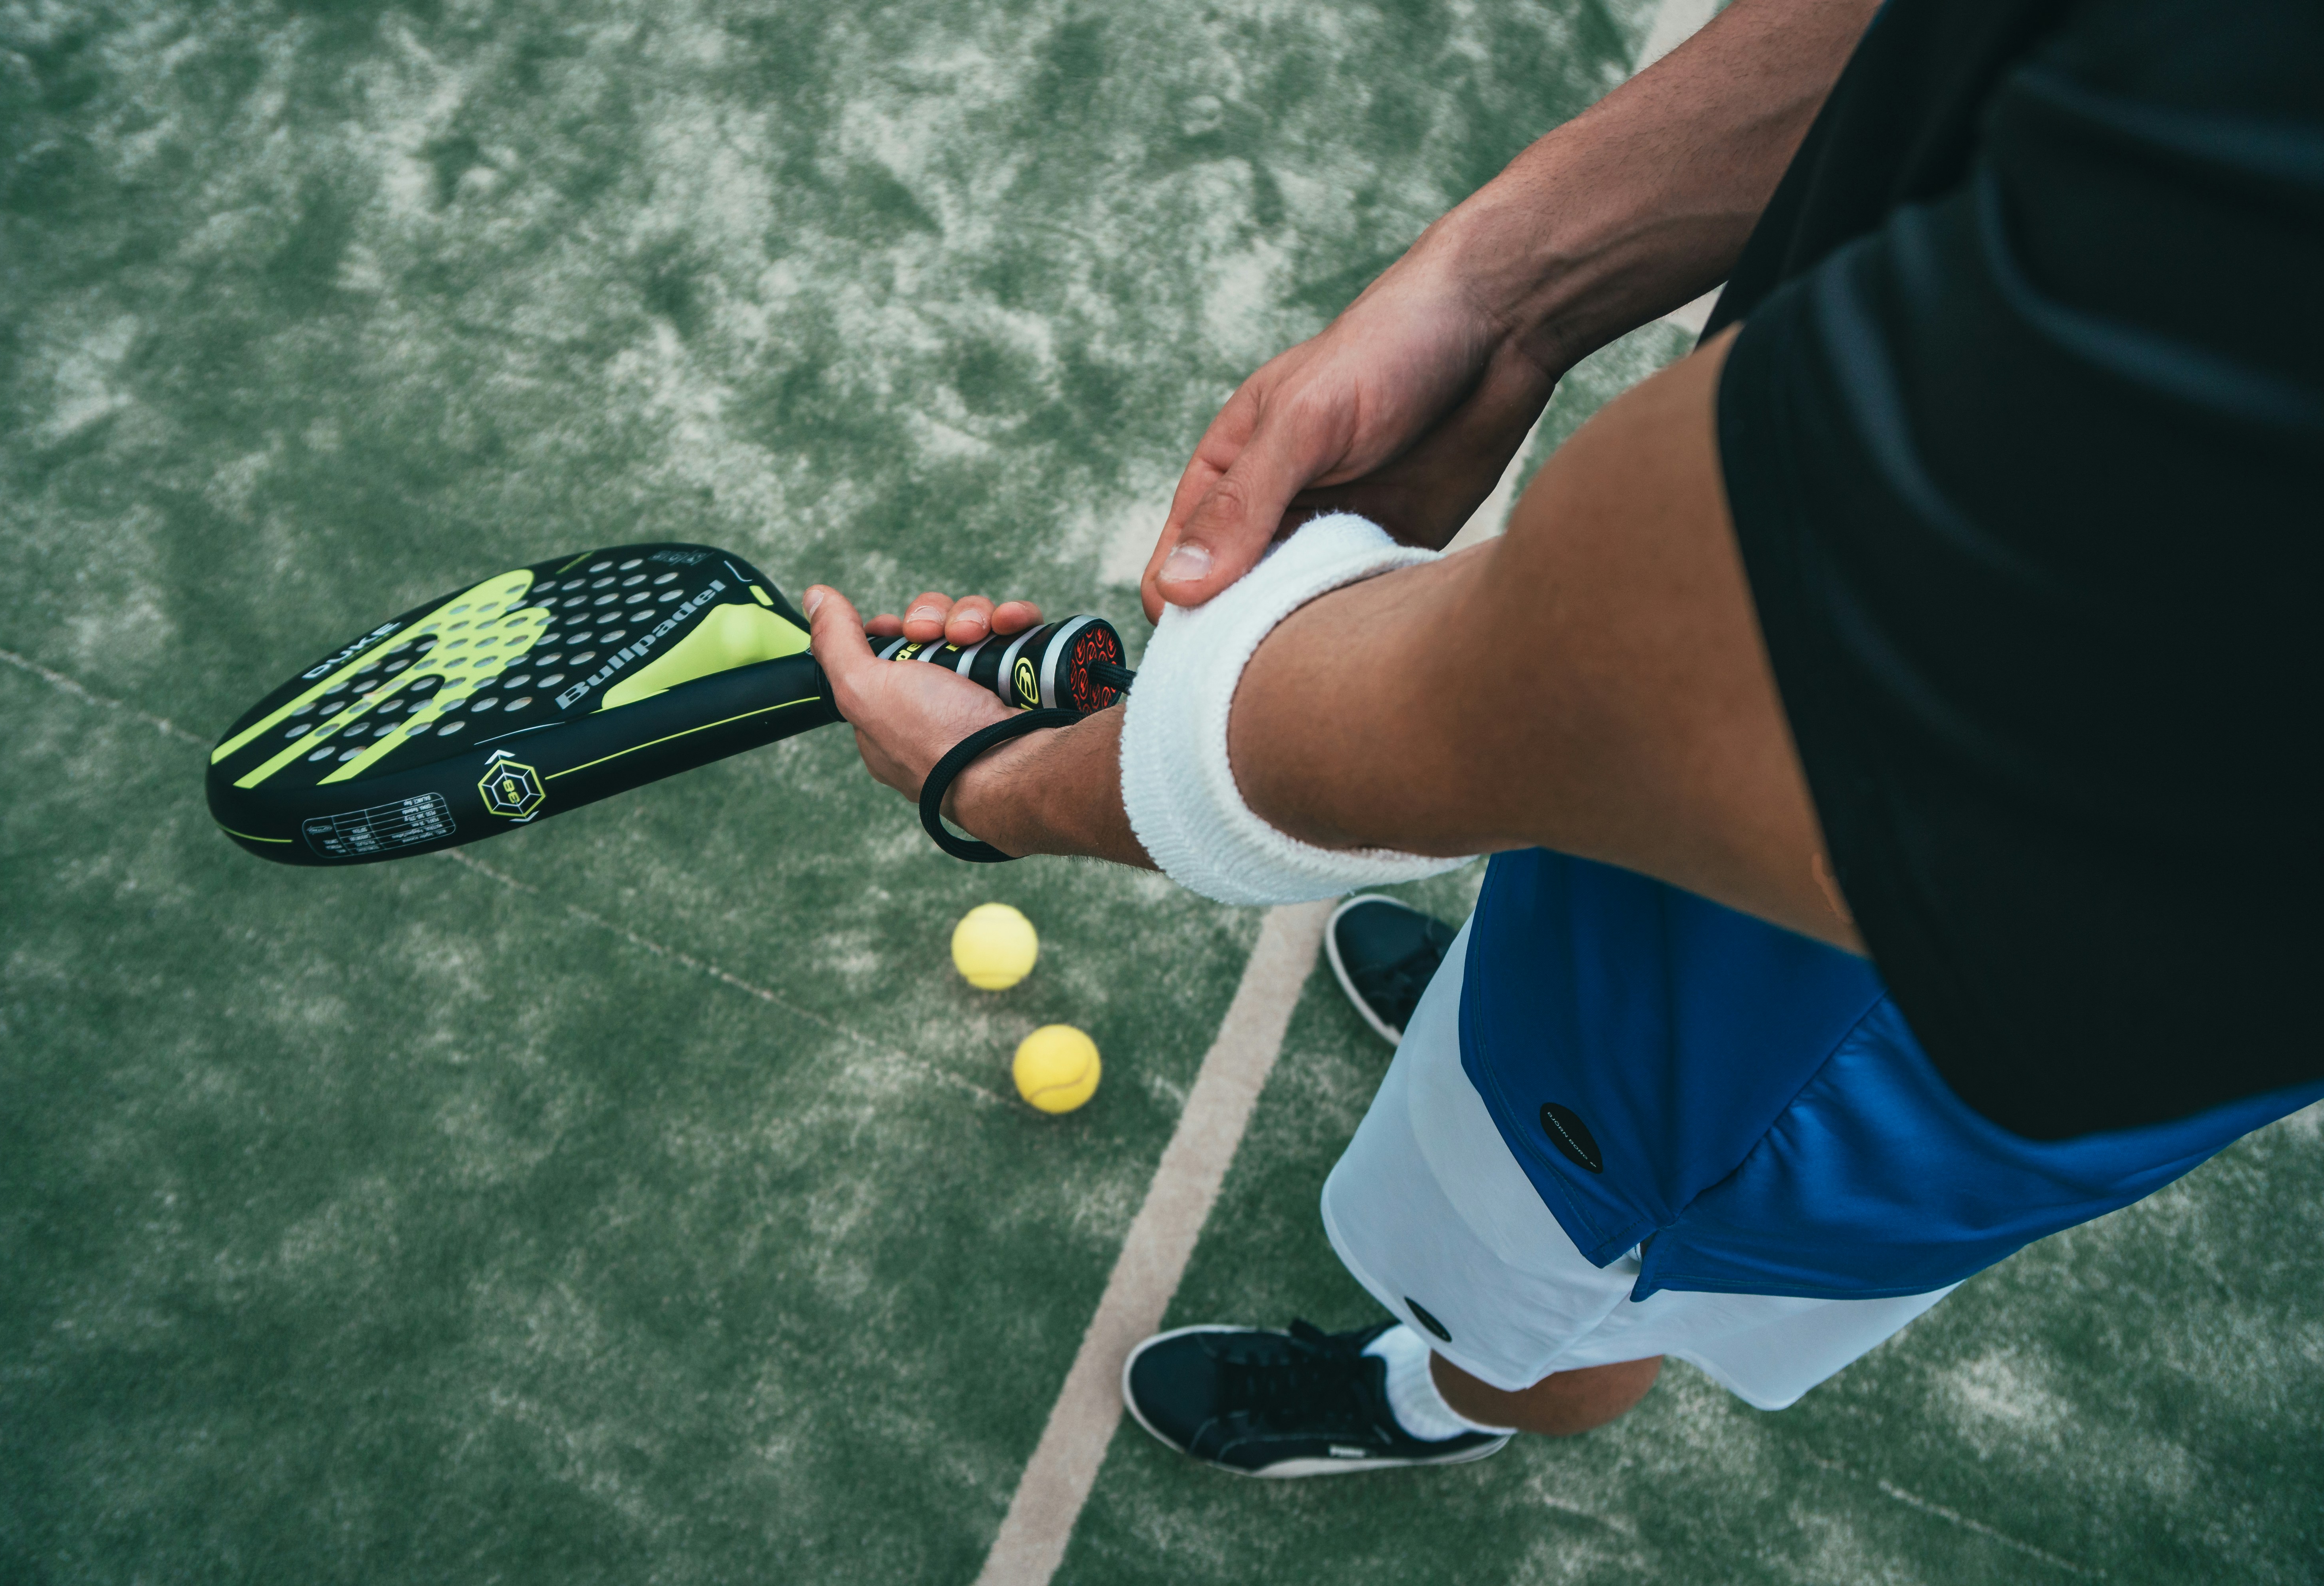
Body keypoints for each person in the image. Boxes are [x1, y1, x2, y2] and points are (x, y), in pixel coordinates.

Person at [801, 0, 2323, 1475]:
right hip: (1794, 785)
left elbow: (1616, 685)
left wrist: (997, 784)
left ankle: (1443, 1393)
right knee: (1546, 967)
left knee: (1556, 1285)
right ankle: (1501, 1017)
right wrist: (1495, 293)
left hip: (1834, 1023)